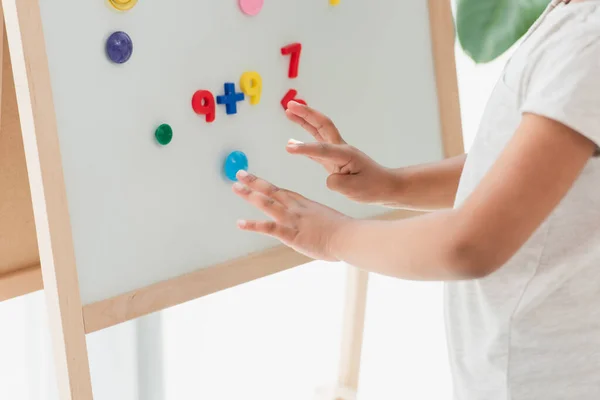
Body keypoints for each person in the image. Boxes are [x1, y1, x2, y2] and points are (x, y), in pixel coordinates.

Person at [232, 0, 600, 398]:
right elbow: (522, 170)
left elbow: (471, 245)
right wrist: (393, 186)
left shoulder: (586, 44)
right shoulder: (573, 21)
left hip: (543, 375)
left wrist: (334, 237)